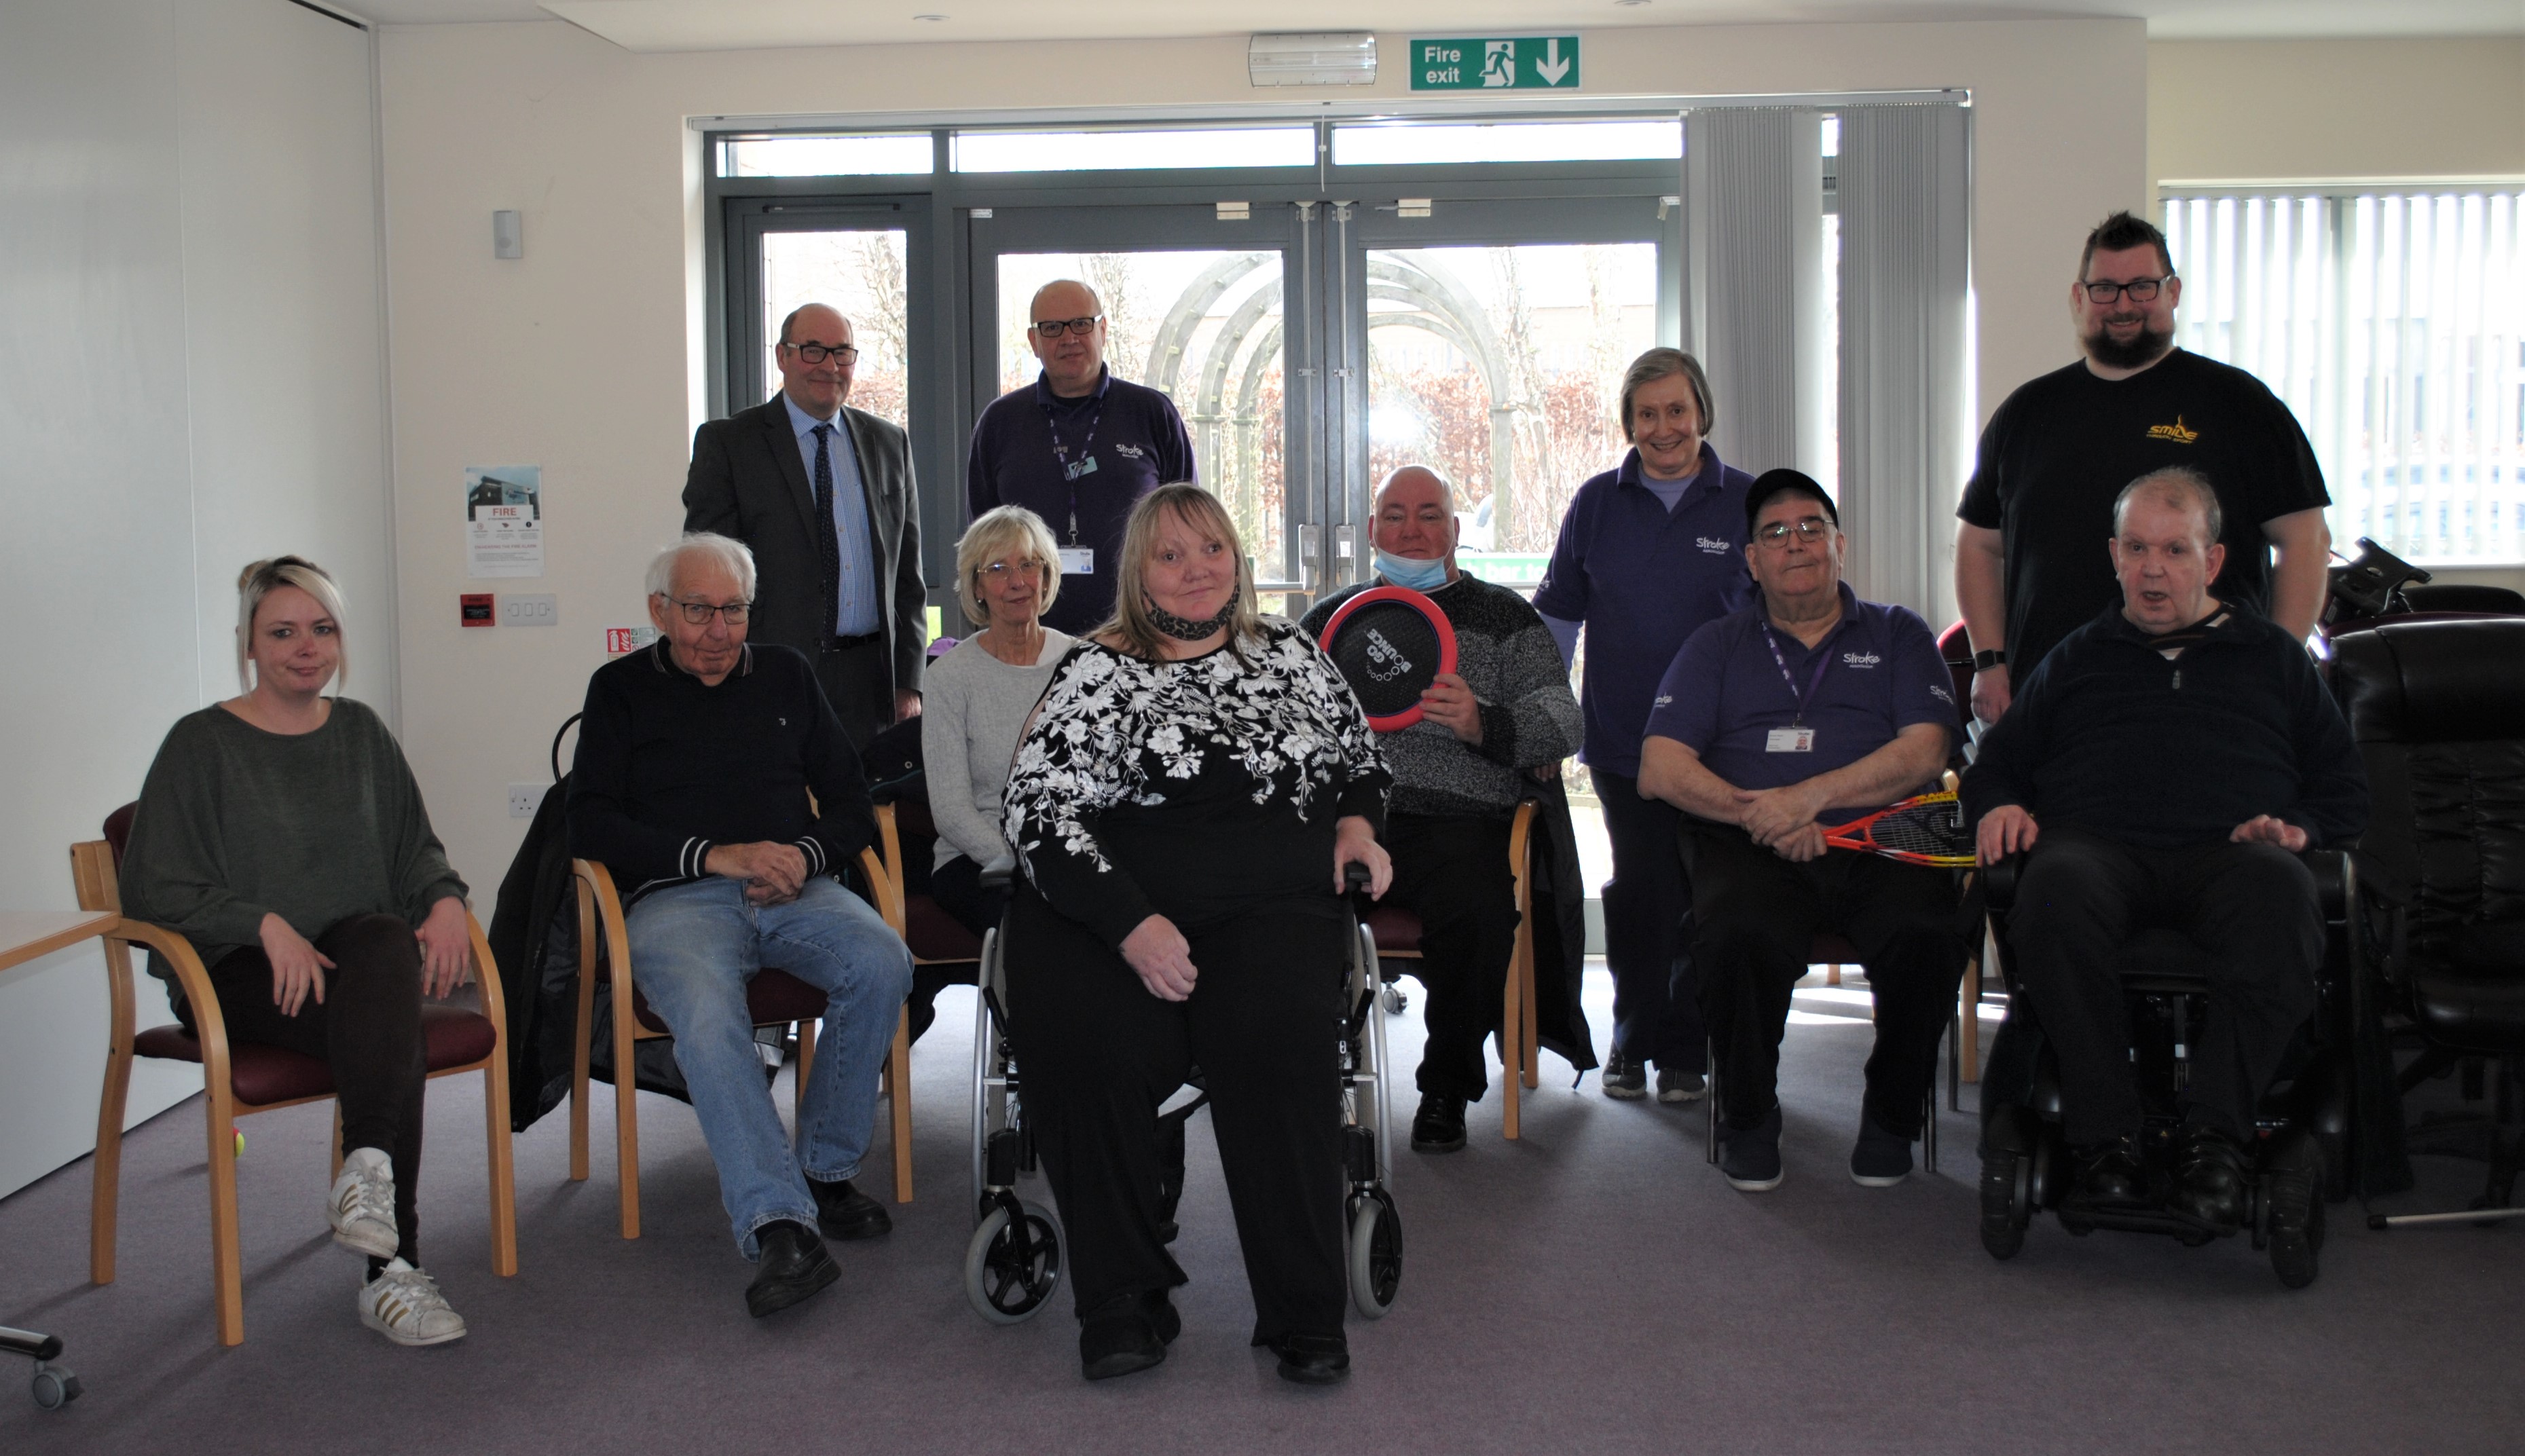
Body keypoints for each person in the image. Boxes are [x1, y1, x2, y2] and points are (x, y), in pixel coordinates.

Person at [1001, 483, 1391, 1385]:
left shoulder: (1289, 653)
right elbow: (1037, 808)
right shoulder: (1097, 669)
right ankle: (1121, 1299)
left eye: (1209, 548)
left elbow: (1359, 758)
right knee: (1084, 1045)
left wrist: (1356, 826)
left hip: (1269, 908)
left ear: (1236, 559)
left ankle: (1301, 1311)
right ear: (1137, 572)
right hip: (1112, 910)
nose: (1193, 570)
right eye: (1168, 555)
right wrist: (1131, 924)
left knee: (1275, 1043)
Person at [1965, 467, 2367, 1230]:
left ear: (2211, 562)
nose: (2153, 568)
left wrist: (2297, 832)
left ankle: (2215, 1139)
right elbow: (1995, 768)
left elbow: (2343, 792)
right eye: (2136, 548)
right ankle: (2101, 1139)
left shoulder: (2274, 659)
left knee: (2282, 892)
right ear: (2112, 556)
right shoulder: (2077, 656)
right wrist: (1999, 804)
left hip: (2232, 851)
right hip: (2096, 852)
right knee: (2047, 890)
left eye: (2175, 551)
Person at [118, 557, 473, 1346]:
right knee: (391, 1033)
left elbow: (414, 848)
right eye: (282, 632)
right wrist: (263, 924)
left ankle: (368, 1180)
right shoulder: (200, 743)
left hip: (350, 963)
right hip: (235, 971)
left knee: (384, 943)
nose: (305, 649)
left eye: (322, 630)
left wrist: (445, 897)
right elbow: (150, 888)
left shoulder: (360, 732)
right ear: (248, 642)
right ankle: (394, 1271)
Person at [566, 533, 914, 1318]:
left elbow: (853, 800)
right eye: (697, 612)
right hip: (675, 901)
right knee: (707, 1012)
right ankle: (778, 1223)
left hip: (796, 888)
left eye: (732, 611)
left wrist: (804, 851)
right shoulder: (619, 689)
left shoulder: (786, 673)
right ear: (659, 610)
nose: (718, 632)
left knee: (882, 960)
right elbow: (587, 824)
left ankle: (825, 1168)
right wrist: (710, 856)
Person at [1638, 472, 1967, 1193]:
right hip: (1749, 842)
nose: (1797, 544)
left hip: (1881, 839)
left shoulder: (1897, 634)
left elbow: (1926, 751)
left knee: (1929, 932)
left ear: (1839, 545)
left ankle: (1890, 1115)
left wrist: (1808, 798)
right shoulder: (1715, 645)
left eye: (1812, 528)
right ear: (1750, 560)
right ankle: (1749, 1120)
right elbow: (1658, 768)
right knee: (1733, 934)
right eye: (1775, 533)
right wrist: (1762, 813)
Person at [1300, 466, 1581, 1154]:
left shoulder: (1506, 617)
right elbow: (1278, 720)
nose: (1411, 530)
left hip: (1460, 821)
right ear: (1372, 530)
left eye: (1429, 515)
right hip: (1345, 821)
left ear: (1455, 530)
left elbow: (1564, 723)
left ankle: (1446, 1088)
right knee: (1278, 906)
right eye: (1394, 515)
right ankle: (1311, 1078)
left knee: (1481, 915)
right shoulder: (1331, 619)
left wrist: (1484, 725)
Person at [1955, 210, 2332, 724]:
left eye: (2142, 286)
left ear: (2173, 291)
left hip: (2210, 699)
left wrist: (2278, 663)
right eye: (2105, 289)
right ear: (2078, 297)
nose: (2123, 304)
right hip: (2054, 702)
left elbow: (2304, 539)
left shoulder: (2239, 403)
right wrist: (1990, 662)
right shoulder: (2026, 412)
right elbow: (1977, 545)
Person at [1532, 347, 1754, 1104]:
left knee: (1710, 895)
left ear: (1701, 413)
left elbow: (1782, 625)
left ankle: (1686, 1049)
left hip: (1721, 749)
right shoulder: (1596, 502)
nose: (1664, 428)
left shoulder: (1748, 503)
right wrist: (1541, 718)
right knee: (1641, 893)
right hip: (1623, 738)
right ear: (1628, 424)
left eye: (1676, 410)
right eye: (1647, 414)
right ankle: (1632, 1039)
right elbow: (1558, 618)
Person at [683, 303, 927, 749]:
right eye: (813, 351)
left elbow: (908, 579)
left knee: (866, 815)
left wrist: (909, 680)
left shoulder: (890, 443)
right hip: (766, 675)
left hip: (869, 684)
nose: (829, 366)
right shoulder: (729, 444)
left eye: (842, 353)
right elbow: (708, 576)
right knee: (775, 812)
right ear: (782, 356)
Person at [966, 279, 1196, 635]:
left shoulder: (1152, 413)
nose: (1069, 338)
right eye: (1053, 328)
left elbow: (1187, 529)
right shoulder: (1000, 422)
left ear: (1102, 330)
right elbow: (983, 542)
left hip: (1139, 634)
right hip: (1029, 639)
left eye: (1081, 324)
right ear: (1034, 341)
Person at [921, 504, 1074, 941]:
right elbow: (951, 813)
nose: (1017, 581)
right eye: (998, 568)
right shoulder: (949, 677)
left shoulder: (1083, 664)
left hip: (1070, 850)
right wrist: (1028, 858)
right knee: (1046, 930)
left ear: (1046, 576)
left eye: (1029, 564)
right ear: (976, 585)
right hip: (978, 860)